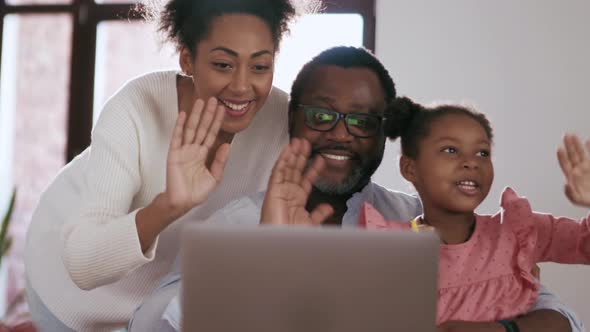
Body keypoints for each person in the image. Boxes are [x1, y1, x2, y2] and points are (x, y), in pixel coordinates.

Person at [131, 46, 584, 332]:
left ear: (385, 134)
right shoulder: (238, 224)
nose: (342, 134)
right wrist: (269, 260)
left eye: (363, 121)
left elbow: (562, 318)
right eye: (323, 115)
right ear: (294, 122)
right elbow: (150, 323)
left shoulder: (416, 222)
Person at [23, 0, 319, 330]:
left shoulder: (282, 122)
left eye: (260, 67)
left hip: (151, 308)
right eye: (223, 64)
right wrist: (169, 205)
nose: (241, 86)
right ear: (187, 58)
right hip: (67, 292)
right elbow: (82, 264)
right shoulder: (136, 108)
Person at [359, 98, 590, 327]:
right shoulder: (388, 249)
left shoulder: (517, 231)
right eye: (451, 150)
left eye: (482, 153)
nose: (471, 163)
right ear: (409, 168)